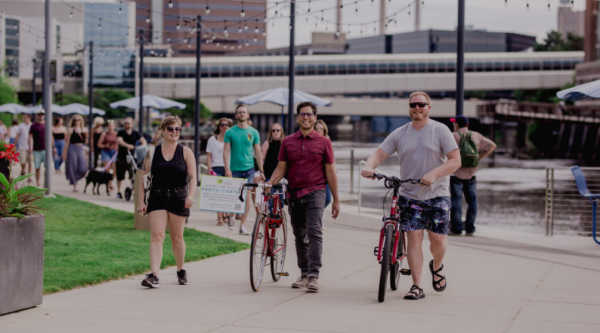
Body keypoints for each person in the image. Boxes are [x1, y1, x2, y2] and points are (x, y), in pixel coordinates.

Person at [361, 92, 461, 300]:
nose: (417, 108)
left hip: (437, 194)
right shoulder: (400, 133)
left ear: (429, 107)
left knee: (438, 241)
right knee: (414, 239)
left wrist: (434, 173)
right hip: (409, 194)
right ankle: (417, 286)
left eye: (421, 104)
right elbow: (379, 153)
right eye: (413, 105)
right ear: (409, 108)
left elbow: (455, 161)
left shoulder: (440, 130)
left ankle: (438, 265)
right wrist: (370, 166)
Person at [268, 101, 340, 292]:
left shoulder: (324, 142)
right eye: (302, 114)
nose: (306, 117)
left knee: (314, 232)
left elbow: (331, 173)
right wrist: (269, 184)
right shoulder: (287, 141)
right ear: (298, 117)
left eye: (309, 114)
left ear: (315, 118)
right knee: (300, 235)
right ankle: (304, 273)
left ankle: (314, 275)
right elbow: (281, 169)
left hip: (316, 192)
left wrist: (336, 200)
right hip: (293, 193)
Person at [138, 116, 197, 288]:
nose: (174, 132)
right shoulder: (152, 152)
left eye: (177, 129)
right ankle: (154, 275)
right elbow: (144, 179)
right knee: (157, 236)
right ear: (163, 131)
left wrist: (191, 195)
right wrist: (141, 201)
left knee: (177, 238)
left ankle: (180, 270)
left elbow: (192, 178)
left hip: (179, 197)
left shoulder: (186, 152)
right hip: (157, 196)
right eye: (170, 129)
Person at [449, 115, 496, 236]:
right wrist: (479, 157)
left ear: (458, 124)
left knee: (456, 201)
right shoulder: (476, 135)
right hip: (471, 174)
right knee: (472, 202)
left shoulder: (453, 136)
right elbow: (492, 145)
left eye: (454, 123)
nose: (454, 125)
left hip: (456, 173)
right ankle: (470, 229)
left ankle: (456, 229)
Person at [223, 104, 264, 235]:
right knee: (235, 196)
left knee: (246, 197)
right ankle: (231, 215)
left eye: (244, 112)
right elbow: (225, 151)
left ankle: (242, 226)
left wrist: (261, 170)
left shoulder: (253, 132)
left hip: (249, 170)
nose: (241, 114)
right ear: (236, 115)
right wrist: (227, 169)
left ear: (247, 115)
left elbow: (258, 153)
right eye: (239, 112)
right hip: (234, 170)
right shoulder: (230, 132)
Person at [206, 117, 233, 226]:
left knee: (226, 192)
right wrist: (209, 168)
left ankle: (226, 213)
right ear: (219, 126)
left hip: (228, 168)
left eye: (227, 125)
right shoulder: (212, 139)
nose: (224, 127)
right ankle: (220, 217)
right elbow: (209, 155)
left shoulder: (231, 139)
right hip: (216, 167)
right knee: (217, 192)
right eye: (222, 124)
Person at [116, 117, 146, 199]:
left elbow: (143, 140)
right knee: (120, 176)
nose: (126, 124)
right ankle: (118, 192)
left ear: (132, 124)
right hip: (121, 157)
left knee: (133, 175)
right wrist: (128, 146)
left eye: (128, 123)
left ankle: (133, 191)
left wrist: (142, 147)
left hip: (132, 158)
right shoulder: (120, 132)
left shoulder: (135, 133)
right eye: (125, 123)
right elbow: (119, 141)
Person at [261, 122, 285, 211]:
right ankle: (271, 219)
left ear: (281, 131)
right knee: (271, 201)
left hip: (281, 177)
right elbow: (262, 159)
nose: (275, 132)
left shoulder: (284, 144)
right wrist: (261, 173)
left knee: (281, 201)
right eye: (273, 130)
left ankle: (278, 216)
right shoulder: (267, 143)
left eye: (277, 130)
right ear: (271, 132)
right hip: (269, 176)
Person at [63, 115, 89, 192]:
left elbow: (85, 142)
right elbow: (67, 142)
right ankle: (75, 185)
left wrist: (87, 136)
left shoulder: (84, 129)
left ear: (81, 121)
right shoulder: (71, 130)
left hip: (80, 148)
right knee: (72, 166)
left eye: (78, 120)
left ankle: (73, 178)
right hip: (72, 148)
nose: (77, 121)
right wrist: (64, 153)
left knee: (83, 168)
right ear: (73, 121)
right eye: (75, 120)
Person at [314, 120, 333, 209]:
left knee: (328, 198)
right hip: (315, 178)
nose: (319, 130)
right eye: (317, 128)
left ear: (324, 130)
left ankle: (318, 212)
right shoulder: (311, 142)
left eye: (321, 128)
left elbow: (332, 160)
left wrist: (334, 171)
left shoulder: (327, 142)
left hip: (326, 177)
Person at [98, 120, 119, 193]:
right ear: (107, 126)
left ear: (114, 126)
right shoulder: (104, 134)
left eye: (112, 125)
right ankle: (108, 185)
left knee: (115, 170)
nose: (111, 127)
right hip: (106, 152)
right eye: (109, 125)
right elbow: (99, 144)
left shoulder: (117, 134)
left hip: (114, 153)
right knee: (107, 170)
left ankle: (110, 182)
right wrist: (105, 145)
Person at [28, 110, 46, 187]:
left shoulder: (47, 124)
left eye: (42, 114)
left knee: (47, 168)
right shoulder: (33, 125)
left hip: (46, 149)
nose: (41, 115)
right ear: (37, 115)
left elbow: (50, 135)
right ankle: (38, 183)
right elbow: (30, 137)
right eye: (39, 114)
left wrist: (53, 147)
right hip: (36, 149)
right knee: (37, 167)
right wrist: (30, 147)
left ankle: (45, 183)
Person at [14, 114, 33, 178]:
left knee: (30, 162)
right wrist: (15, 145)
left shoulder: (32, 125)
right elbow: (17, 136)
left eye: (24, 117)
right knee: (22, 161)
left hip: (31, 147)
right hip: (22, 147)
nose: (23, 119)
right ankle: (23, 170)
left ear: (29, 118)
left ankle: (29, 176)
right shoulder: (21, 126)